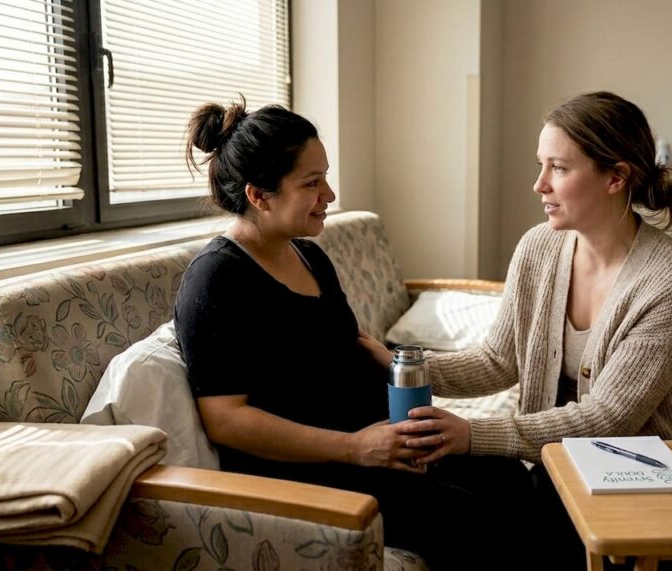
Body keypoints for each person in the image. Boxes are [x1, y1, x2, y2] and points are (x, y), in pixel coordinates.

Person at [173, 97, 533, 569]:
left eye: (325, 176)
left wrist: (408, 427)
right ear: (260, 196)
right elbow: (226, 419)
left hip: (375, 445)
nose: (331, 195)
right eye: (312, 182)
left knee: (509, 476)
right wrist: (355, 447)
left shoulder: (309, 256)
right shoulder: (217, 279)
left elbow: (345, 351)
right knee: (473, 522)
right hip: (313, 469)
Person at [360, 91, 672, 565]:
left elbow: (609, 419)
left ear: (615, 177)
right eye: (541, 165)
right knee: (433, 482)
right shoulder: (538, 247)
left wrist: (472, 433)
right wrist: (406, 365)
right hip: (555, 470)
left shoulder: (669, 281)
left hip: (635, 486)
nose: (539, 184)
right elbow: (499, 360)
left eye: (558, 168)